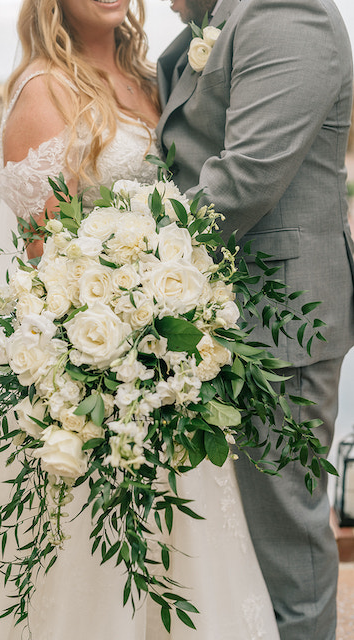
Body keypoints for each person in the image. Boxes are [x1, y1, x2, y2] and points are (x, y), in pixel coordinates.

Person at [0, 1, 281, 638]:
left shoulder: (152, 76)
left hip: (164, 371)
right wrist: (117, 331)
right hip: (89, 384)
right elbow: (44, 272)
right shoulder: (42, 90)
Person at [157, 0, 354, 639]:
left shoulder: (287, 13)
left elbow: (244, 179)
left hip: (281, 330)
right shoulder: (206, 28)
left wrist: (124, 259)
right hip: (223, 320)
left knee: (287, 556)